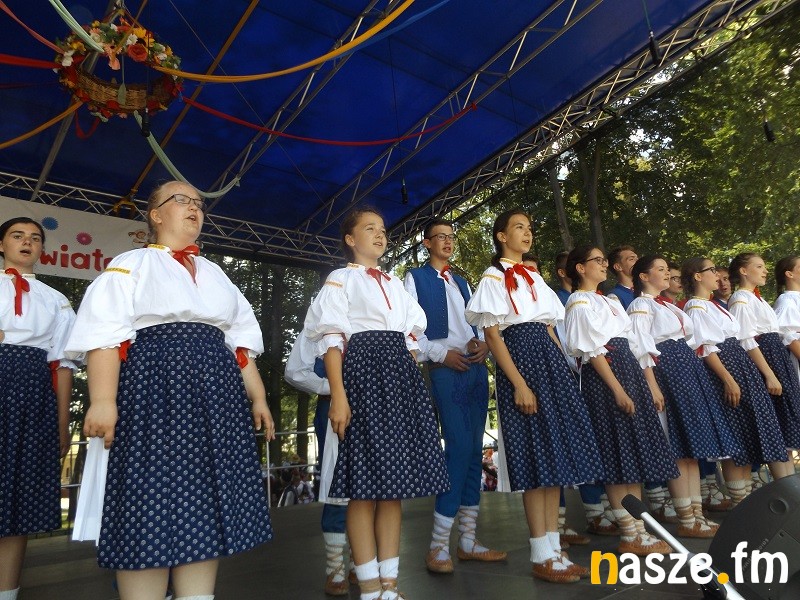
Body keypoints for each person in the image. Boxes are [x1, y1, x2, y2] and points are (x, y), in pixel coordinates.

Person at [65, 181, 274, 600]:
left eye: (198, 203)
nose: (193, 207)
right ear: (156, 215)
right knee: (148, 503)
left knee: (203, 505)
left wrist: (259, 398)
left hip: (216, 399)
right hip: (154, 393)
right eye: (181, 200)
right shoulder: (130, 264)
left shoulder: (216, 274)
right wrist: (103, 401)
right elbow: (104, 335)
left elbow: (239, 345)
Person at [303, 206, 449, 600]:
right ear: (350, 239)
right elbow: (332, 341)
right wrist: (339, 397)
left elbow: (412, 338)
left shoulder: (395, 283)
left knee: (392, 488)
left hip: (399, 378)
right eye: (370, 229)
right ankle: (368, 587)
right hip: (364, 375)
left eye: (382, 229)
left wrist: (410, 379)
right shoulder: (340, 279)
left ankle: (390, 585)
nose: (380, 234)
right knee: (364, 487)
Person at [465, 209, 604, 584]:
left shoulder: (534, 277)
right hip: (522, 361)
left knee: (554, 457)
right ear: (501, 236)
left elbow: (550, 329)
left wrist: (565, 369)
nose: (527, 233)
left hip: (548, 361)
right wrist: (519, 384)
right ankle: (540, 553)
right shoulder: (494, 277)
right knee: (536, 457)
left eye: (529, 228)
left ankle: (554, 549)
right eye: (518, 228)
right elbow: (493, 335)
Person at [404, 219, 507, 574]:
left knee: (474, 451)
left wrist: (484, 345)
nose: (448, 242)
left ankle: (468, 541)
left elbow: (477, 325)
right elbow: (409, 331)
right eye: (441, 237)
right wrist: (439, 354)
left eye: (451, 237)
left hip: (474, 367)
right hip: (445, 368)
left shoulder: (462, 281)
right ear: (427, 243)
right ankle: (437, 546)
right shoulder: (415, 278)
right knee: (459, 449)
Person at [563, 245, 676, 555]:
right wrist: (617, 389)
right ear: (580, 268)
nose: (603, 265)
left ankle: (639, 528)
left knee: (633, 455)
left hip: (628, 371)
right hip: (606, 379)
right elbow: (592, 350)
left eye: (604, 260)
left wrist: (641, 383)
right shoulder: (578, 301)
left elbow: (630, 342)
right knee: (617, 454)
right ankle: (629, 533)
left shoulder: (609, 300)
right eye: (597, 261)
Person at [627, 255, 743, 538]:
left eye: (668, 269)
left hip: (686, 369)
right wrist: (652, 385)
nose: (667, 273)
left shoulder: (667, 305)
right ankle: (686, 518)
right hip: (668, 371)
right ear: (644, 276)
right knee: (678, 446)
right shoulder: (641, 305)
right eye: (660, 269)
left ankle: (696, 514)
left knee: (691, 448)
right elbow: (641, 347)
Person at [0, 217, 77, 600]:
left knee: (16, 501)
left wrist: (61, 424)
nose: (27, 242)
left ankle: (7, 592)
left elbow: (62, 365)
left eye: (35, 238)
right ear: (2, 245)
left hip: (32, 396)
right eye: (17, 236)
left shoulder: (56, 300)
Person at [681, 257, 790, 506]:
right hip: (726, 369)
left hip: (739, 364)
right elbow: (705, 348)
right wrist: (728, 379)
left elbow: (741, 339)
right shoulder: (695, 307)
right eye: (711, 270)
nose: (717, 276)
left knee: (747, 433)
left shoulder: (712, 305)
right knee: (737, 435)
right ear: (698, 276)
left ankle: (748, 498)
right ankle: (741, 503)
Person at [285, 327, 353, 596]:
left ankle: (361, 561)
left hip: (371, 407)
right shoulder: (320, 324)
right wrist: (332, 387)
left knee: (370, 484)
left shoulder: (372, 318)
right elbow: (295, 371)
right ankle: (335, 567)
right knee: (336, 483)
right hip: (332, 406)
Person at [728, 253, 800, 480]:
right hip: (765, 359)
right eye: (759, 266)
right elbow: (746, 340)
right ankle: (784, 485)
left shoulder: (755, 298)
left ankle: (790, 484)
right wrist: (769, 374)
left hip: (776, 357)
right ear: (743, 271)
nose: (765, 271)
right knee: (776, 423)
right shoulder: (741, 299)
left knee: (785, 423)